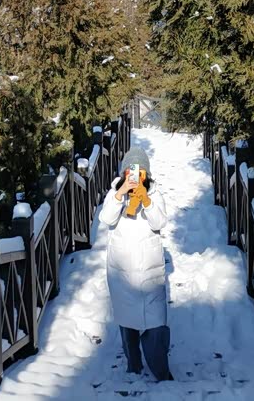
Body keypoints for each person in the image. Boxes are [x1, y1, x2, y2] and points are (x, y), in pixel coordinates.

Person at [100, 146, 173, 381]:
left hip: (149, 270)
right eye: (131, 172)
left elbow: (160, 221)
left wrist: (146, 201)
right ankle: (134, 365)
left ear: (147, 174)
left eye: (140, 172)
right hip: (122, 270)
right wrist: (121, 194)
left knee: (156, 324)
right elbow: (106, 218)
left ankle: (160, 370)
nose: (135, 177)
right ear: (123, 173)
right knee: (127, 321)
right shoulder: (115, 193)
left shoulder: (155, 194)